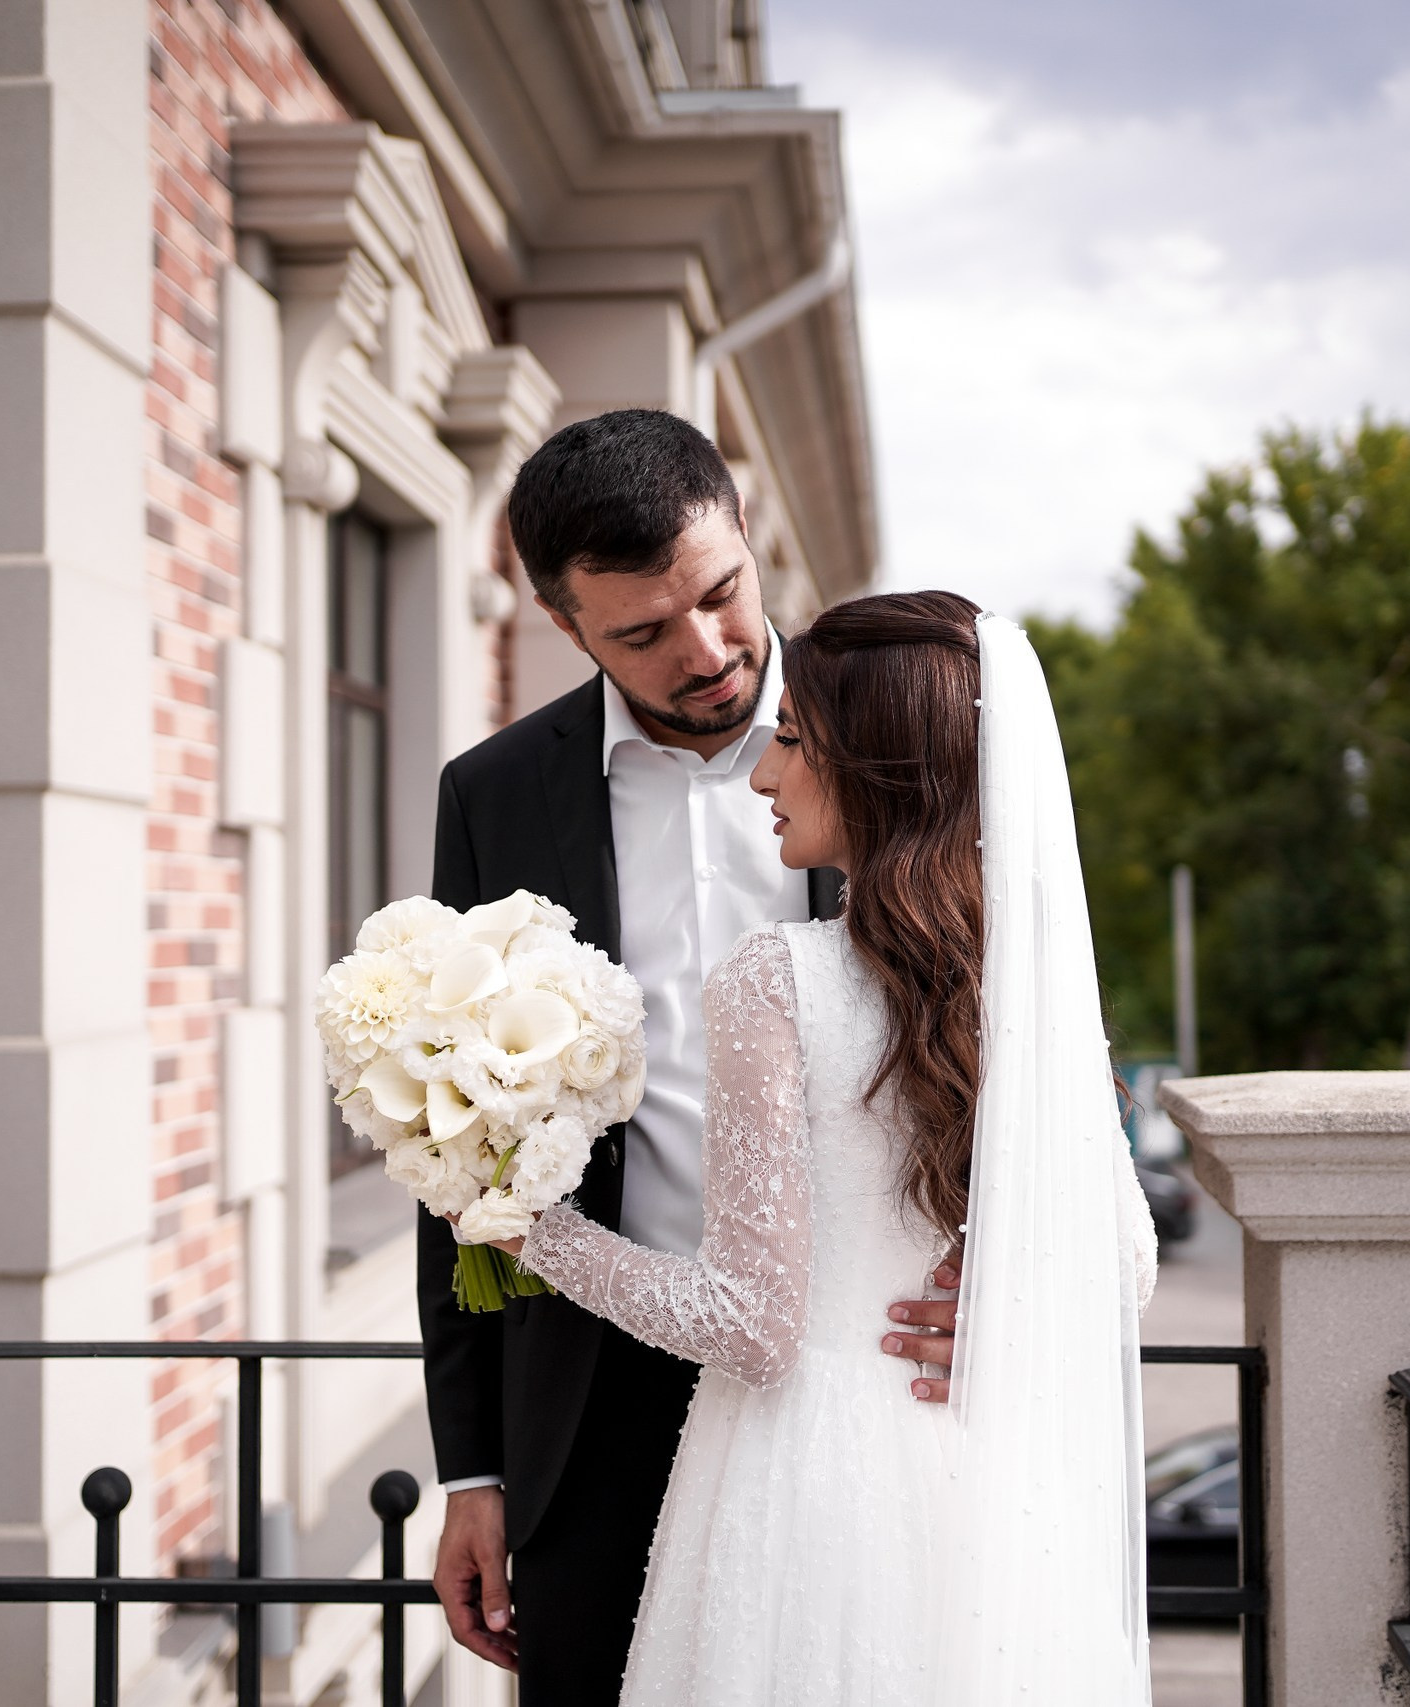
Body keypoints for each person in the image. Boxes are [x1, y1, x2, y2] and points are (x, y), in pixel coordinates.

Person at [487, 590, 1160, 1704]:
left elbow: (751, 1326)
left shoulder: (778, 980)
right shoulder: (1032, 986)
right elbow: (1126, 1263)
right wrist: (1002, 1310)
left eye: (793, 743)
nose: (763, 774)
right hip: (983, 1499)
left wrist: (528, 1231)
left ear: (879, 766)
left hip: (803, 1492)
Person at [419, 412, 959, 1702]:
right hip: (588, 1404)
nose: (707, 652)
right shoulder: (490, 798)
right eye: (644, 633)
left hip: (856, 1385)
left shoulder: (899, 736)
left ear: (746, 539)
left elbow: (1026, 1039)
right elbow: (452, 1137)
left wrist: (999, 1266)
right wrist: (472, 1470)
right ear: (567, 627)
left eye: (720, 595)